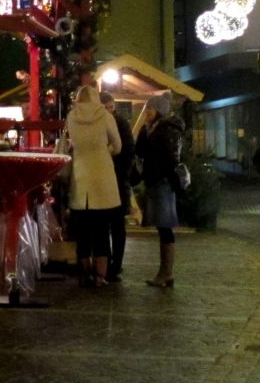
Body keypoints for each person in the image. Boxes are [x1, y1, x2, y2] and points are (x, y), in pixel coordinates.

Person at [64, 85, 122, 287]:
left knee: (83, 232)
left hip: (81, 179)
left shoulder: (72, 117)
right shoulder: (105, 116)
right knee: (101, 231)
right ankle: (100, 276)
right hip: (103, 180)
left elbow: (71, 144)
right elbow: (118, 146)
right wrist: (105, 150)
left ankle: (84, 273)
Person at [135, 92, 186, 287]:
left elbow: (170, 159)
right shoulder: (153, 129)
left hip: (162, 183)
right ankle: (165, 272)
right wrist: (143, 131)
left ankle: (166, 273)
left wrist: (158, 172)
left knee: (165, 227)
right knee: (162, 227)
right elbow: (140, 151)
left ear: (159, 111)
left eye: (150, 108)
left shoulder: (166, 130)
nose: (147, 111)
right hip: (156, 181)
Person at [100, 91, 135, 282]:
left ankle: (116, 265)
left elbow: (128, 150)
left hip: (118, 180)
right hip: (109, 180)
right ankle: (108, 263)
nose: (108, 111)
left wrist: (121, 173)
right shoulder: (105, 123)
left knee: (117, 225)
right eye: (105, 108)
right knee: (108, 224)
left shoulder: (120, 124)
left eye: (111, 108)